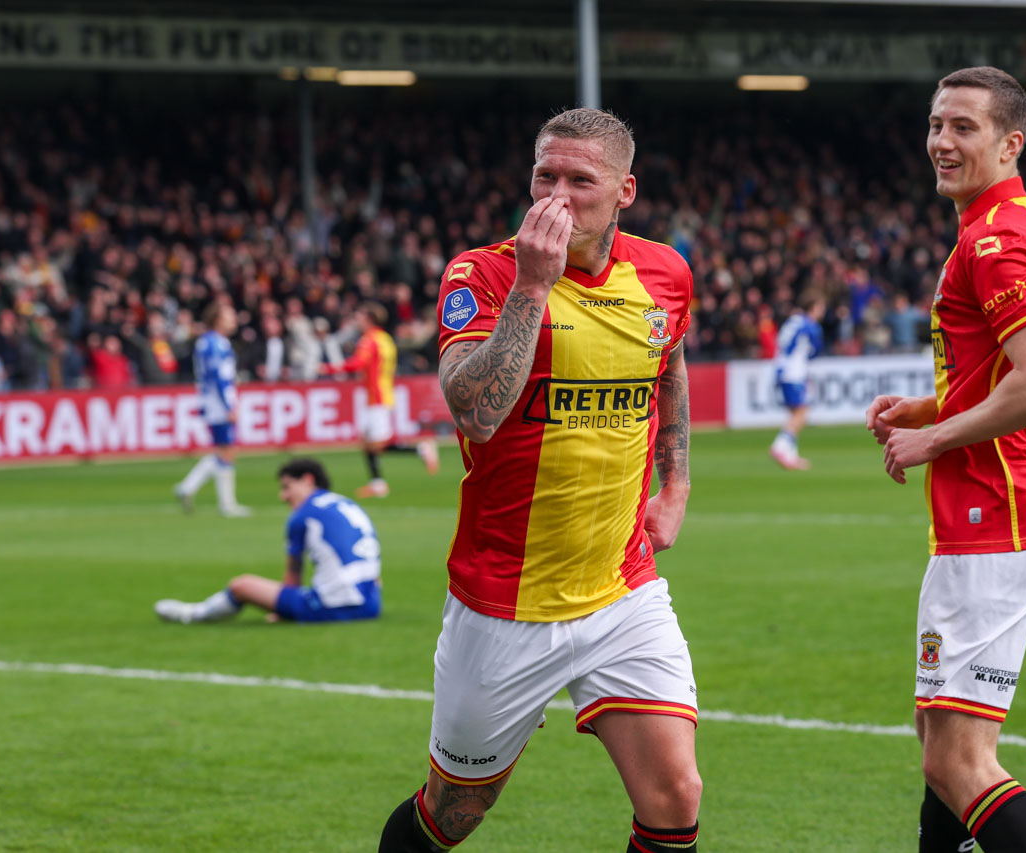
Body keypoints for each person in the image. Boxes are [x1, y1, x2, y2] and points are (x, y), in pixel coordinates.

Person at [378, 108, 701, 853]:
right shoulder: (483, 273)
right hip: (505, 602)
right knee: (452, 813)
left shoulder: (665, 272)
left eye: (580, 180)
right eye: (544, 177)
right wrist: (533, 285)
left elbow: (670, 361)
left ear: (624, 191)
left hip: (623, 589)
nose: (557, 197)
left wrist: (676, 482)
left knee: (675, 794)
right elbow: (476, 414)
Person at [865, 67, 1026, 853]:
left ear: (1010, 142)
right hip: (1011, 509)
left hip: (999, 516)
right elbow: (1010, 369)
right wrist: (929, 408)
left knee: (958, 763)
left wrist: (935, 438)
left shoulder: (995, 239)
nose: (942, 142)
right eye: (936, 124)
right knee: (939, 738)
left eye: (964, 127)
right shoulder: (1021, 222)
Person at [154, 458, 381, 623]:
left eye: (287, 487)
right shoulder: (347, 504)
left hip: (333, 606)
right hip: (371, 604)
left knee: (241, 585)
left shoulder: (303, 515)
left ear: (308, 480)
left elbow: (293, 575)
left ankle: (193, 614)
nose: (283, 496)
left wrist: (281, 610)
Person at [332, 301, 439, 499]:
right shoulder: (385, 339)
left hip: (376, 396)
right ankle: (377, 484)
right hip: (382, 393)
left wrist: (330, 368)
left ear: (369, 319)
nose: (358, 320)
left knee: (377, 444)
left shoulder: (369, 339)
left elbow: (358, 363)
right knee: (367, 442)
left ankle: (420, 449)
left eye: (360, 316)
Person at [174, 302, 251, 517]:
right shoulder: (216, 343)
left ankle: (188, 487)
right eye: (229, 315)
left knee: (224, 450)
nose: (233, 319)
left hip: (210, 400)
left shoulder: (206, 342)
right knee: (227, 450)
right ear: (217, 319)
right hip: (218, 402)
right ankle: (226, 504)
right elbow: (219, 377)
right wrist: (229, 405)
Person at [769, 295, 825, 470]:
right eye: (820, 308)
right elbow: (815, 350)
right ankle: (780, 446)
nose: (822, 312)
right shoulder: (810, 325)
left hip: (781, 367)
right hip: (794, 372)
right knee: (802, 412)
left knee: (795, 413)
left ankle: (790, 454)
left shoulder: (792, 321)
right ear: (813, 307)